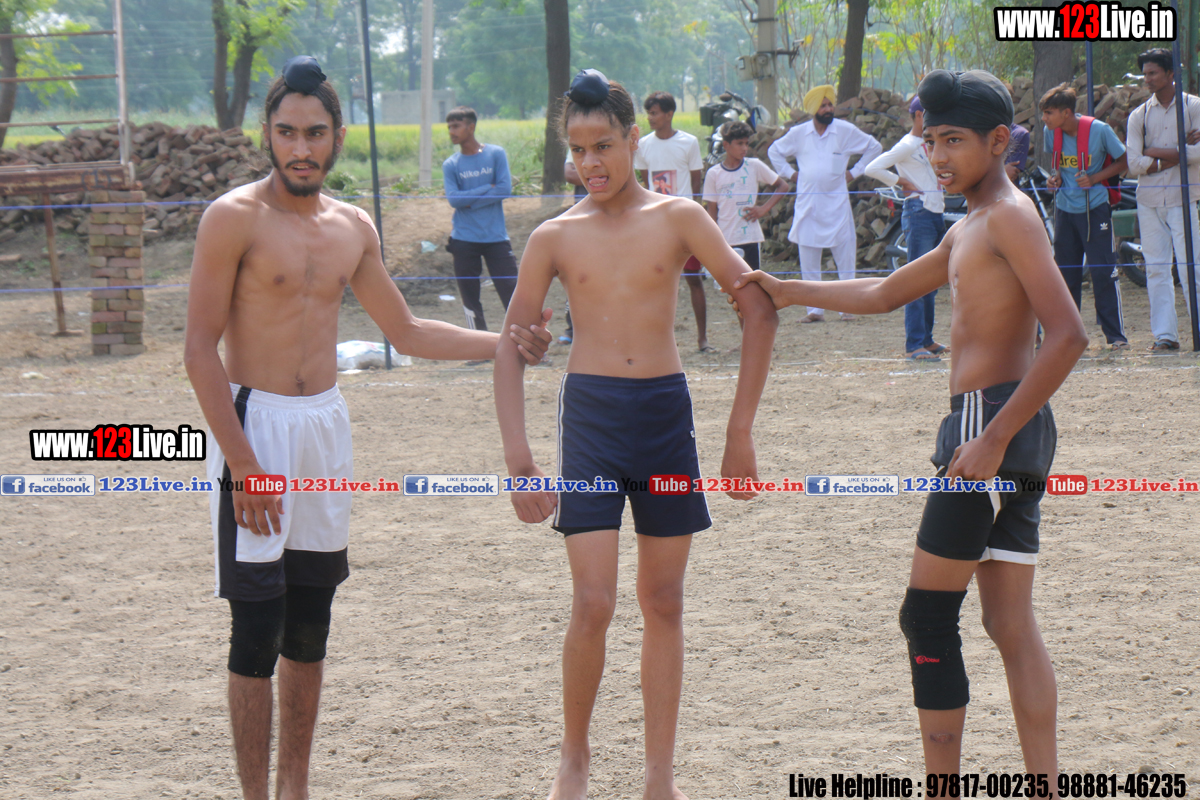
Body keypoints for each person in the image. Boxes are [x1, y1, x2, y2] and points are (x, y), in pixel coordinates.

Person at [184, 57, 550, 800]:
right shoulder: (232, 217)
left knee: (309, 627)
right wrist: (244, 464)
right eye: (287, 132)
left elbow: (407, 331)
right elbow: (198, 350)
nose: (301, 148)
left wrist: (505, 342)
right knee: (256, 633)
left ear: (338, 136)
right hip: (256, 430)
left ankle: (295, 788)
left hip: (324, 428)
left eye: (315, 133)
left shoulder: (352, 226)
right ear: (267, 133)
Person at [734, 69, 1087, 776]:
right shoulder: (973, 225)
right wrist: (788, 288)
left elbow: (1069, 334)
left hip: (991, 423)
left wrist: (990, 438)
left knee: (927, 617)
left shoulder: (1009, 217)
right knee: (1008, 624)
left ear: (998, 140)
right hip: (1002, 427)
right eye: (930, 142)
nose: (938, 156)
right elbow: (886, 292)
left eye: (953, 141)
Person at [494, 69, 777, 800]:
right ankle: (574, 757)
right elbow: (510, 346)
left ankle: (659, 776)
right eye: (577, 149)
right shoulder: (554, 236)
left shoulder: (680, 217)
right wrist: (520, 459)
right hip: (591, 417)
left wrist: (739, 432)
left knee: (665, 600)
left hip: (663, 417)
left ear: (632, 141)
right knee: (594, 602)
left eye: (603, 146)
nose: (590, 163)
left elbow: (757, 309)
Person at [768, 84, 882, 322]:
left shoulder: (844, 130)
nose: (829, 109)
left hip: (837, 205)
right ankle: (814, 310)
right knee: (809, 259)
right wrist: (791, 174)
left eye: (830, 104)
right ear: (813, 109)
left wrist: (855, 172)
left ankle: (847, 307)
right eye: (823, 105)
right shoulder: (799, 133)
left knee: (845, 258)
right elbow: (774, 151)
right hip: (809, 205)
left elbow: (874, 147)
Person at [1040, 83, 1130, 350]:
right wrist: (1054, 179)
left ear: (1066, 113)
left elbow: (1125, 161)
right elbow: (1057, 165)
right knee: (1065, 274)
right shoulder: (1050, 132)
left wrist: (1095, 178)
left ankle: (1115, 336)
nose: (1044, 119)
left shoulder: (1099, 130)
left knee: (1103, 272)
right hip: (1064, 210)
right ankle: (1067, 337)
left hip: (1095, 209)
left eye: (1049, 113)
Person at [1125, 47, 1200, 352]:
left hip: (1184, 197)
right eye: (1145, 74)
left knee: (1191, 267)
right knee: (1156, 268)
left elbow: (1199, 154)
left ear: (1171, 74)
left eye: (1153, 73)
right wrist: (1181, 151)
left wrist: (1153, 152)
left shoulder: (1193, 107)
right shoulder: (1139, 115)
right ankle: (1165, 336)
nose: (1148, 79)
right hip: (1149, 200)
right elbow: (1134, 163)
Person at [864, 96, 949, 360]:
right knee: (917, 280)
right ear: (919, 116)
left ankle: (927, 339)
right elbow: (872, 167)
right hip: (919, 211)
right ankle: (914, 344)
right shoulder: (908, 144)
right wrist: (900, 181)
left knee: (931, 280)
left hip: (935, 211)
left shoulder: (929, 143)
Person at [633, 91, 711, 350]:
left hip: (684, 223)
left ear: (669, 114)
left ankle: (702, 339)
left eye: (655, 113)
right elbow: (646, 182)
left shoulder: (689, 143)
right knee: (657, 282)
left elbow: (696, 182)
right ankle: (657, 340)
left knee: (693, 279)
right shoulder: (643, 145)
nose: (650, 118)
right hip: (656, 223)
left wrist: (692, 215)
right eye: (649, 113)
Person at [443, 105, 518, 332]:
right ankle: (479, 343)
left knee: (513, 292)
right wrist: (487, 187)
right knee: (470, 299)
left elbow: (504, 189)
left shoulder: (495, 154)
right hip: (463, 239)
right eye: (449, 127)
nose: (452, 131)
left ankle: (524, 340)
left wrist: (470, 200)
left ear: (471, 127)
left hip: (496, 238)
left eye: (456, 126)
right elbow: (454, 200)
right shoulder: (451, 165)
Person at [701, 120, 788, 278]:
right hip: (725, 239)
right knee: (728, 284)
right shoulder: (714, 174)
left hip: (750, 238)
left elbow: (783, 186)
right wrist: (712, 241)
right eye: (739, 143)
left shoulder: (754, 166)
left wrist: (763, 209)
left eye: (746, 143)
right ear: (726, 145)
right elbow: (711, 211)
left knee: (752, 282)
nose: (744, 148)